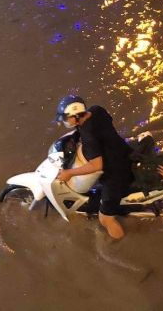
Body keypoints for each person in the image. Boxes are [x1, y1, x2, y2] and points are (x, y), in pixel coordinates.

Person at [55, 95, 135, 240]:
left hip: (116, 173)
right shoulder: (97, 110)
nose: (64, 122)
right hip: (125, 153)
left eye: (67, 118)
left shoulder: (88, 135)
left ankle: (121, 244)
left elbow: (97, 165)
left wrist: (69, 173)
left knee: (105, 219)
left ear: (76, 116)